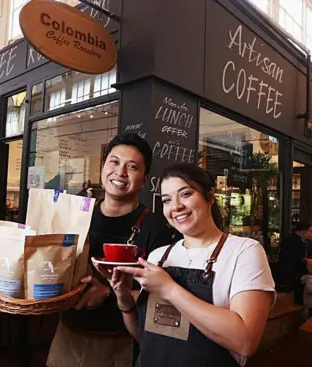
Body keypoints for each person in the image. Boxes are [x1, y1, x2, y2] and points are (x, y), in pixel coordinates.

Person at [97, 164, 275, 367]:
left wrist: (169, 289)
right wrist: (124, 298)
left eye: (186, 194)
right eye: (167, 200)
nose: (176, 206)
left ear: (210, 196)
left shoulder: (244, 251)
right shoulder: (159, 256)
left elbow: (246, 341)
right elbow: (144, 336)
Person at [47, 133, 175, 367]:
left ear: (145, 179)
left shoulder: (154, 228)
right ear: (103, 167)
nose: (121, 172)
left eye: (132, 167)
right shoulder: (79, 214)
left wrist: (108, 292)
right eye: (114, 162)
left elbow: (164, 300)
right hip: (68, 333)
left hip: (120, 343)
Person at [276, 220, 312, 304]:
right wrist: (311, 263)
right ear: (302, 230)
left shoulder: (307, 241)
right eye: (311, 231)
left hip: (298, 276)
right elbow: (297, 258)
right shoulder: (292, 240)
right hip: (289, 277)